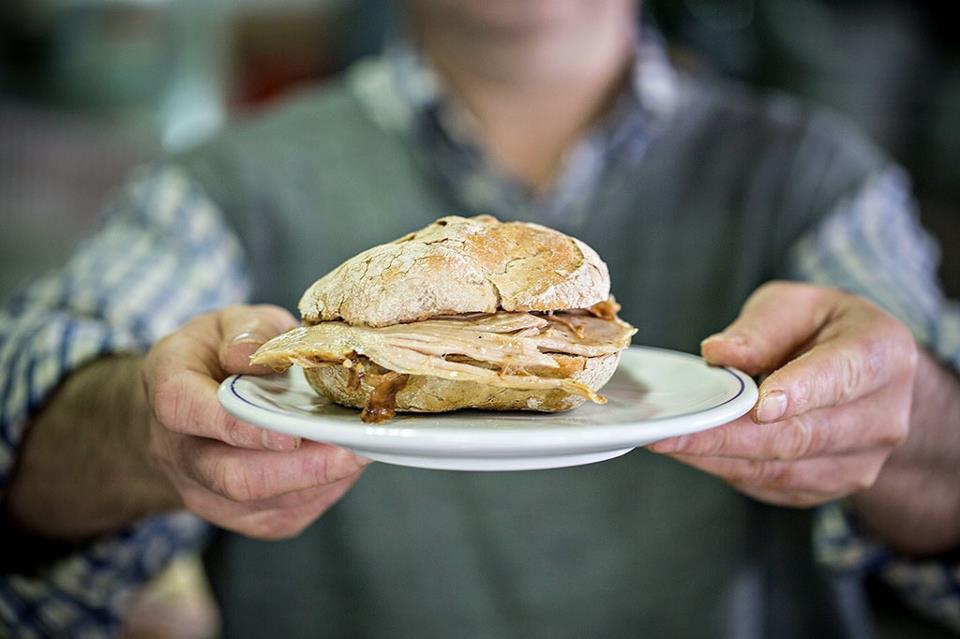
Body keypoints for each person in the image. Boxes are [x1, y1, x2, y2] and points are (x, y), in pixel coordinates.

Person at [2, 0, 959, 636]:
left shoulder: (820, 182)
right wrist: (140, 422)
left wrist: (904, 413)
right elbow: (28, 406)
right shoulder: (219, 184)